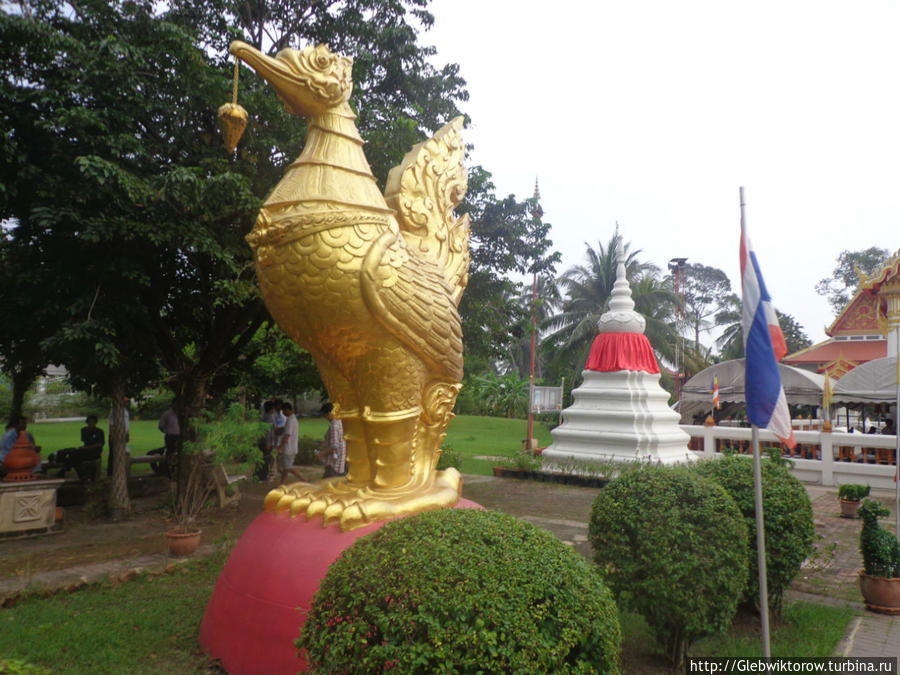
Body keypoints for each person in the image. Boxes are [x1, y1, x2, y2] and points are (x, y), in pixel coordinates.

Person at [276, 402, 307, 485]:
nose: (282, 413)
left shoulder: (290, 420)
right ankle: (282, 484)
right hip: (291, 448)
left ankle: (304, 479)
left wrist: (281, 447)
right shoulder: (292, 419)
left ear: (287, 410)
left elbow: (287, 435)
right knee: (286, 468)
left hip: (288, 449)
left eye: (283, 411)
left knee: (288, 467)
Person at [316, 402, 347, 478]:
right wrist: (324, 443)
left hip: (335, 463)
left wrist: (321, 454)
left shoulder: (334, 424)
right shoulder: (340, 421)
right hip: (342, 460)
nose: (324, 418)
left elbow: (334, 447)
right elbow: (338, 440)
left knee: (326, 486)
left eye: (324, 415)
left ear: (329, 413)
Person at [108, 398, 130, 476]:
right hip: (116, 436)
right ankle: (111, 474)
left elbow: (127, 425)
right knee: (113, 455)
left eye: (127, 401)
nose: (126, 403)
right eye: (125, 401)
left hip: (124, 435)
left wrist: (127, 434)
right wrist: (113, 436)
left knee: (125, 453)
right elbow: (111, 425)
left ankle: (123, 472)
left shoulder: (126, 412)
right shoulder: (114, 411)